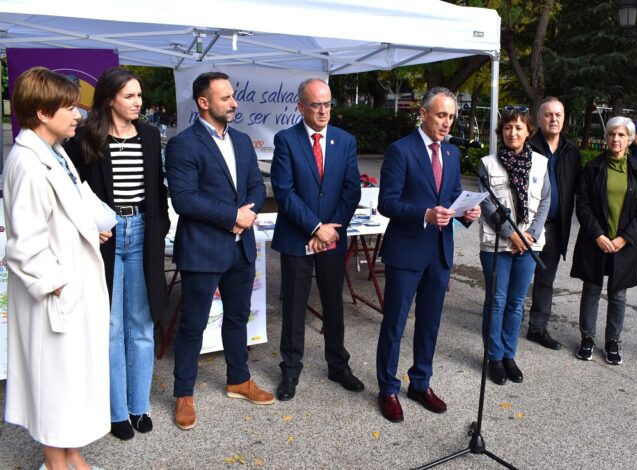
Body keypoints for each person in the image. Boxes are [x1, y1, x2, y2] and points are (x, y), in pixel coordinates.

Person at [3, 66, 110, 470]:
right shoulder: (28, 163)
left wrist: (89, 228)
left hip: (70, 288)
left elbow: (66, 208)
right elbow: (24, 246)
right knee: (54, 382)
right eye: (68, 107)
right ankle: (57, 463)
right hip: (56, 294)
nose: (78, 114)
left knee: (68, 382)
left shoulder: (54, 151)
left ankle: (71, 455)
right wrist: (59, 286)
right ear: (43, 113)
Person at [64, 67, 171, 440]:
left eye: (139, 96)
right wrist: (88, 227)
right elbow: (68, 191)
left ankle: (139, 405)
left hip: (143, 233)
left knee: (141, 325)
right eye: (130, 96)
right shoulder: (84, 139)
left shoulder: (151, 135)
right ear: (110, 98)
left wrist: (160, 228)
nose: (138, 102)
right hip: (105, 239)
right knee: (111, 327)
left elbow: (158, 190)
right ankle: (115, 412)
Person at [165, 71, 273, 431]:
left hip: (240, 248)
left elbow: (257, 186)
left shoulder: (242, 141)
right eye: (226, 98)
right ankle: (184, 394)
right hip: (202, 249)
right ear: (203, 102)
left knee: (238, 318)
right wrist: (233, 216)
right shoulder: (183, 144)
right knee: (192, 326)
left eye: (232, 96)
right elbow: (184, 199)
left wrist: (248, 214)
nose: (234, 103)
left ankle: (238, 380)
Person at [375, 87, 481, 423]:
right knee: (394, 324)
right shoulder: (400, 150)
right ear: (423, 114)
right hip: (406, 251)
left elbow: (449, 197)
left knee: (430, 324)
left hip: (439, 253)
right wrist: (424, 214)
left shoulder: (451, 155)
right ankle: (388, 388)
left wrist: (466, 213)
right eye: (440, 115)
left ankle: (420, 382)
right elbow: (387, 202)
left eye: (451, 116)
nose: (447, 122)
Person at [270, 78, 364, 401]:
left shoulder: (345, 141)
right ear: (300, 107)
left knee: (333, 303)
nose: (323, 111)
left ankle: (338, 365)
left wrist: (331, 230)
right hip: (299, 236)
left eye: (327, 104)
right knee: (295, 306)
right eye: (316, 105)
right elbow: (284, 191)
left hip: (333, 238)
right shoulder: (286, 141)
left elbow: (352, 189)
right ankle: (291, 370)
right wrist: (315, 228)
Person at [478, 108, 550, 385]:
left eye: (519, 127)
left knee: (516, 303)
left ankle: (509, 355)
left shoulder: (541, 164)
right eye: (508, 127)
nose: (513, 132)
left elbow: (545, 202)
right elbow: (485, 203)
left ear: (528, 131)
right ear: (501, 131)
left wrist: (529, 234)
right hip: (496, 244)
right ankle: (493, 357)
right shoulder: (488, 163)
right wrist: (512, 233)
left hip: (530, 245)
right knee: (496, 301)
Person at [571, 116, 637, 365]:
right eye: (611, 134)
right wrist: (598, 235)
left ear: (629, 139)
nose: (615, 139)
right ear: (606, 138)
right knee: (591, 290)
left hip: (624, 245)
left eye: (621, 135)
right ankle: (587, 338)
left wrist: (624, 238)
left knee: (618, 295)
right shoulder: (593, 167)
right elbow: (582, 205)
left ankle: (612, 341)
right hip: (595, 241)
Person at [526, 97, 582, 351]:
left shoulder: (572, 151)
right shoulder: (527, 147)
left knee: (546, 279)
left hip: (556, 225)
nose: (554, 119)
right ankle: (506, 321)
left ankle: (538, 328)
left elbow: (578, 189)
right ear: (539, 119)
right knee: (520, 275)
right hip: (528, 224)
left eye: (558, 114)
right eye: (548, 115)